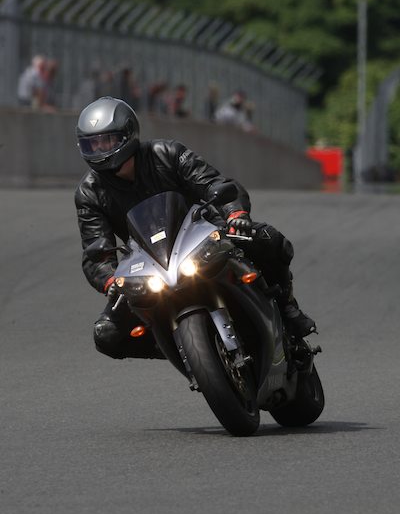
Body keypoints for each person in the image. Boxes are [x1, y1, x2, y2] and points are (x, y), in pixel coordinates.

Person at [74, 96, 316, 361]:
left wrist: (235, 213)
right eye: (92, 143)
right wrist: (110, 280)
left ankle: (288, 307)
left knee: (269, 239)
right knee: (107, 335)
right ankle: (187, 353)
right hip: (147, 261)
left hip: (202, 232)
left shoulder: (166, 153)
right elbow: (96, 252)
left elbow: (213, 183)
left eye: (107, 140)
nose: (100, 149)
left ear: (128, 134)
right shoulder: (89, 193)